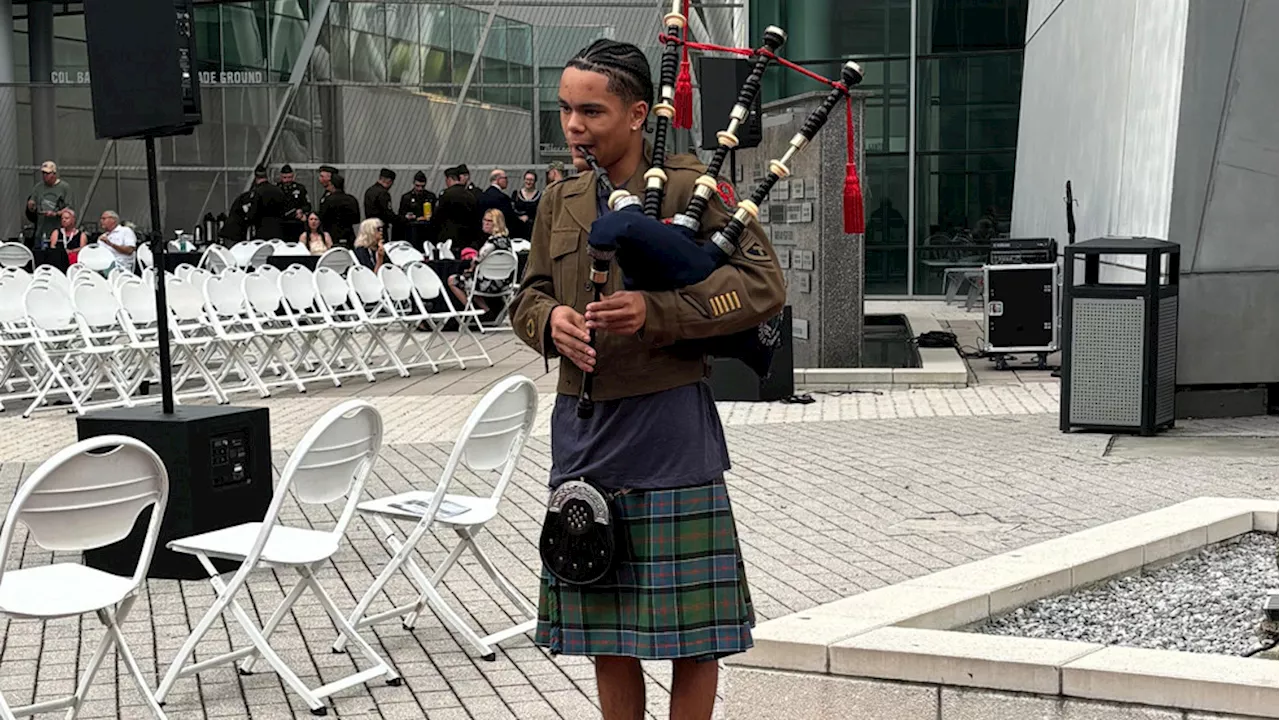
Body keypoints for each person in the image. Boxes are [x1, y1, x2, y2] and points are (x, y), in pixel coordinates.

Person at [508, 38, 785, 720]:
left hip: (668, 429)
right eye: (566, 110)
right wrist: (551, 322)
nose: (574, 127)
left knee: (695, 639)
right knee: (609, 635)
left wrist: (656, 310)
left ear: (638, 113)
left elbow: (762, 287)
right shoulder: (561, 200)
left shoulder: (694, 189)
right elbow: (528, 294)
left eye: (591, 112)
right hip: (584, 433)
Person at [448, 208, 513, 312]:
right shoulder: (507, 242)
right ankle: (485, 311)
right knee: (472, 283)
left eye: (489, 221)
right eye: (484, 220)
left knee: (453, 280)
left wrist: (469, 270)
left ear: (497, 223)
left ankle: (471, 312)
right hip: (503, 283)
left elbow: (477, 261)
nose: (485, 223)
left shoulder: (491, 243)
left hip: (488, 284)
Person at [26, 161, 75, 246]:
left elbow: (69, 208)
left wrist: (56, 214)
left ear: (54, 174)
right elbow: (33, 205)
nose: (45, 176)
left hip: (58, 230)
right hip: (41, 229)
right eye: (43, 173)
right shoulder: (38, 187)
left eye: (47, 173)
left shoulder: (64, 187)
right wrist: (31, 206)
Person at [435, 166, 481, 254]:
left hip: (448, 236)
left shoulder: (446, 194)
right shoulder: (470, 195)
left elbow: (438, 216)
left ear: (449, 179)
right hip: (467, 236)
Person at [320, 173, 361, 248]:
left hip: (332, 235)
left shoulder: (328, 200)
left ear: (332, 185)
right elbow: (356, 219)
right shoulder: (351, 199)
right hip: (348, 234)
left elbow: (322, 217)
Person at [247, 165, 287, 240]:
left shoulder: (257, 192)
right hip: (279, 230)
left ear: (256, 177)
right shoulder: (278, 190)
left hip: (262, 231)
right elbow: (284, 209)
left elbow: (252, 214)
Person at [97, 210, 138, 274]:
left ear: (113, 220)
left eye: (104, 219)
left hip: (121, 266)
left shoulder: (125, 231)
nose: (101, 221)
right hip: (104, 264)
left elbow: (129, 250)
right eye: (101, 219)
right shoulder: (102, 237)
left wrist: (111, 244)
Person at [278, 163, 311, 241]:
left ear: (293, 176)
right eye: (284, 177)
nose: (287, 180)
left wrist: (301, 210)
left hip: (296, 224)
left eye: (289, 177)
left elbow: (308, 206)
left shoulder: (300, 189)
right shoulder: (277, 189)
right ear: (281, 177)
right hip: (281, 224)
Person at [363, 168, 397, 240]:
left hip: (369, 227)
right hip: (380, 229)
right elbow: (388, 213)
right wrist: (401, 219)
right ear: (389, 181)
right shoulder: (383, 193)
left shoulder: (369, 191)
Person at [510, 170, 541, 238]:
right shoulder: (516, 194)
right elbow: (511, 210)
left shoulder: (540, 196)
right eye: (527, 179)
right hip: (517, 228)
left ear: (535, 181)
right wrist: (519, 217)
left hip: (533, 229)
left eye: (531, 180)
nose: (528, 182)